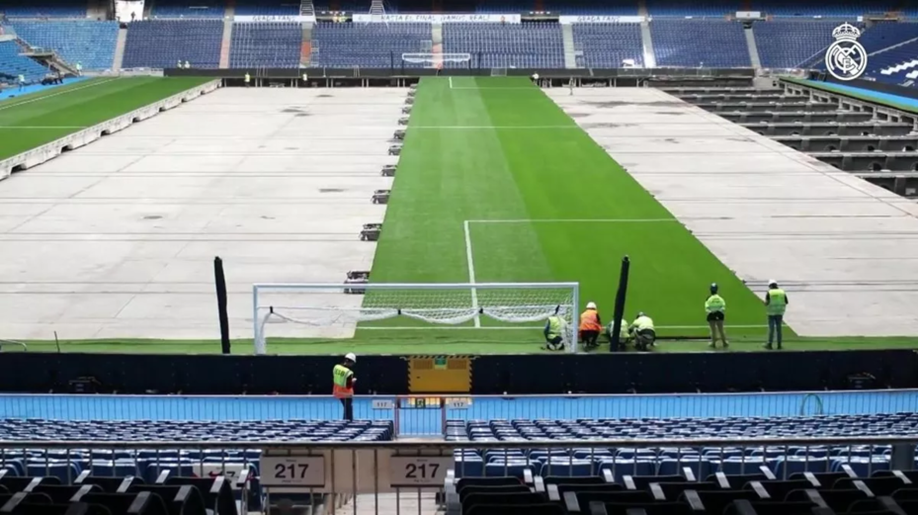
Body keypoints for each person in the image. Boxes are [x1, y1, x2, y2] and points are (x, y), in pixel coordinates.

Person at [764, 280, 787, 350]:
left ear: (770, 286)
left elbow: (767, 302)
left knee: (771, 329)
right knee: (779, 329)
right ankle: (779, 345)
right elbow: (786, 301)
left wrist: (765, 304)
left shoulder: (769, 292)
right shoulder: (782, 292)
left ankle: (769, 344)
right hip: (780, 312)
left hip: (771, 312)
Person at [333, 353, 356, 420]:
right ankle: (348, 423)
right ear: (351, 362)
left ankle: (345, 422)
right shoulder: (349, 372)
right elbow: (349, 386)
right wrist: (353, 381)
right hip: (346, 394)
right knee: (348, 410)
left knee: (346, 409)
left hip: (337, 391)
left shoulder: (336, 367)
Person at [705, 283, 728, 349]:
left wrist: (712, 312)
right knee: (721, 329)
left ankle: (713, 343)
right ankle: (724, 342)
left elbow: (707, 308)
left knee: (713, 330)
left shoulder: (708, 299)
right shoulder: (720, 298)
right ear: (717, 290)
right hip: (719, 314)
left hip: (711, 314)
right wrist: (718, 311)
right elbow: (723, 307)